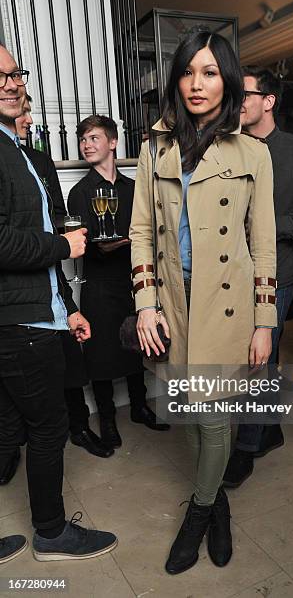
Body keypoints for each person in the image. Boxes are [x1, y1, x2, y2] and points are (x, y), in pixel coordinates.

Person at [130, 32, 277, 574]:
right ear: (177, 79)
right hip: (172, 302)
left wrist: (266, 320)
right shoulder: (153, 148)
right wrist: (146, 303)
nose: (197, 83)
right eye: (189, 71)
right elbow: (142, 230)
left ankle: (198, 514)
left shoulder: (253, 153)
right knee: (192, 413)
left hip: (228, 304)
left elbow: (262, 243)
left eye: (211, 72)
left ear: (229, 79)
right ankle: (219, 504)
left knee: (212, 420)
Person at [0, 44, 117, 561]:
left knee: (7, 428)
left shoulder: (20, 151)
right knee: (47, 429)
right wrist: (62, 247)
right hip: (19, 323)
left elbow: (36, 236)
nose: (10, 83)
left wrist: (66, 305)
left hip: (35, 314)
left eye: (14, 73)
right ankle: (50, 534)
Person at [223, 66, 293, 488]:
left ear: (269, 100)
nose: (238, 100)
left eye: (245, 93)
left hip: (279, 274)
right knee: (259, 356)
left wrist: (273, 228)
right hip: (231, 274)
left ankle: (246, 447)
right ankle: (269, 427)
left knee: (257, 357)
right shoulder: (226, 148)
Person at [14, 95, 113, 459]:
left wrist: (65, 232)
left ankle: (80, 427)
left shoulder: (40, 161)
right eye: (22, 111)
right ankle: (10, 447)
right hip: (15, 287)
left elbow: (57, 214)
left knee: (71, 363)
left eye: (27, 111)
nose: (26, 118)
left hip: (51, 275)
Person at [68, 115, 169, 450]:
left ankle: (140, 407)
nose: (86, 144)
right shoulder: (80, 192)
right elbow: (86, 246)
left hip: (135, 283)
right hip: (98, 284)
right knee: (99, 355)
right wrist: (125, 241)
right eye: (83, 139)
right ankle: (108, 418)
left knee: (137, 346)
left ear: (113, 142)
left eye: (94, 138)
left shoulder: (133, 188)